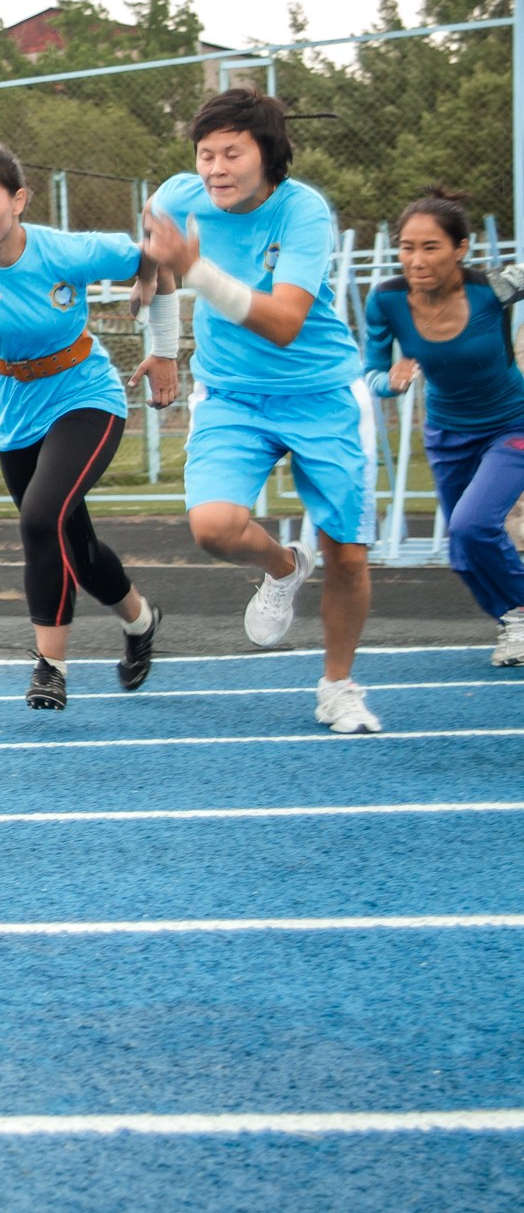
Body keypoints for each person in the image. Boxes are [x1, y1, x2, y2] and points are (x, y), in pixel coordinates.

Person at [138, 88, 379, 732]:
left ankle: (338, 685)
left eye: (231, 154)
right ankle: (281, 565)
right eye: (205, 153)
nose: (214, 168)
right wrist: (163, 349)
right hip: (231, 394)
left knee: (348, 553)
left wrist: (195, 269)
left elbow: (285, 322)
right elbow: (156, 271)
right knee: (213, 528)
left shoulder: (303, 211)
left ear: (267, 156)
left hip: (321, 392)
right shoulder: (177, 198)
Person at [0, 145, 164, 710]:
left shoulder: (65, 250)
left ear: (19, 200)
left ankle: (49, 667)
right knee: (74, 548)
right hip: (16, 414)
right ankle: (141, 620)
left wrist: (148, 285)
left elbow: (156, 254)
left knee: (39, 518)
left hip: (86, 395)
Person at [361, 187, 524, 664]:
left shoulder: (495, 287)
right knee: (461, 547)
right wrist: (390, 383)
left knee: (474, 526)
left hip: (511, 425)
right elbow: (371, 372)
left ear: (461, 249)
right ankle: (513, 620)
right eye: (407, 247)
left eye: (430, 247)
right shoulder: (385, 300)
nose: (416, 259)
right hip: (447, 433)